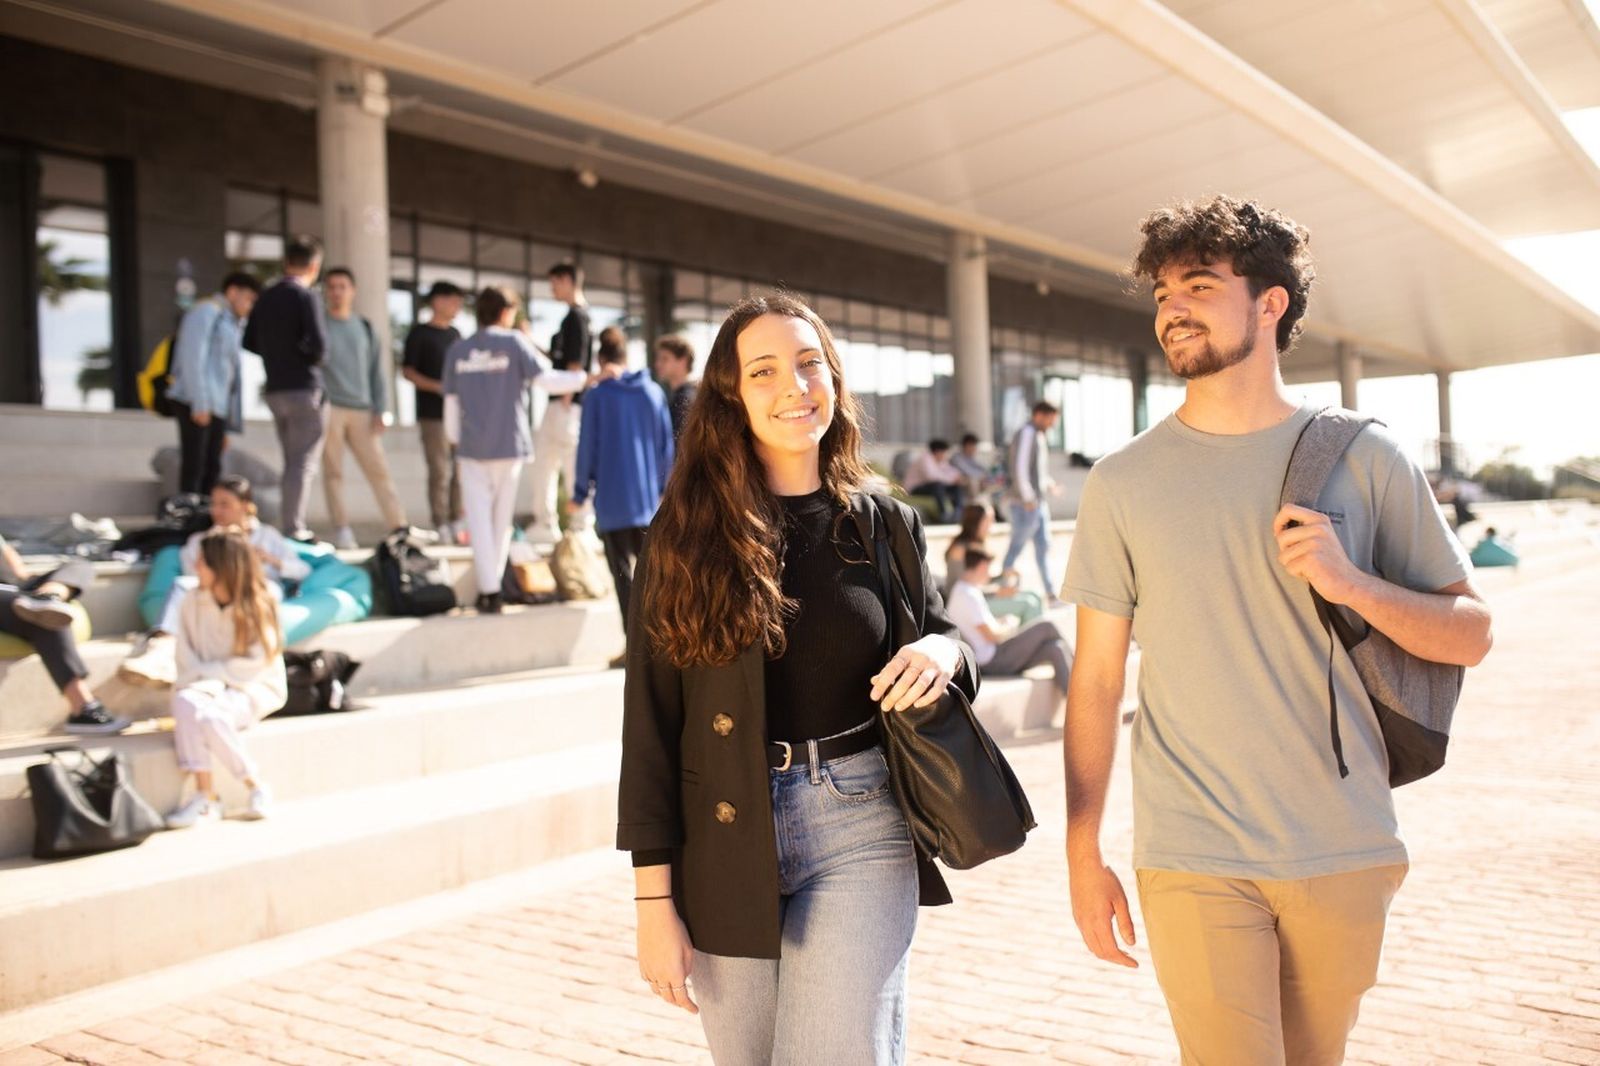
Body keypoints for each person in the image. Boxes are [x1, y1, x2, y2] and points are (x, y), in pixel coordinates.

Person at [1062, 195, 1493, 1066]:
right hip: (1193, 849)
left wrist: (1350, 582)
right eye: (1161, 293)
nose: (1171, 307)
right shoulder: (1122, 482)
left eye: (1197, 285)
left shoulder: (1366, 457)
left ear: (1271, 304)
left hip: (1341, 842)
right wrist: (1083, 852)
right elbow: (1098, 681)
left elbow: (1471, 633)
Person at [620, 293, 976, 1064]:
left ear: (835, 380)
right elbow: (648, 730)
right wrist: (654, 905)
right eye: (765, 370)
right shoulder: (680, 541)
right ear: (732, 396)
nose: (795, 386)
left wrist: (945, 655)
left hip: (861, 823)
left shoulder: (885, 522)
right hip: (722, 833)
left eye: (810, 363)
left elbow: (942, 636)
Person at [444, 285, 590, 614]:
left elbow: (450, 408)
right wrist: (583, 379)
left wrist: (458, 440)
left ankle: (489, 589)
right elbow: (548, 380)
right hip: (508, 446)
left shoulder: (459, 349)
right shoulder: (513, 343)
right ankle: (491, 588)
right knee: (500, 521)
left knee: (479, 522)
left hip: (471, 449)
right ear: (506, 312)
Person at [119, 476, 309, 687]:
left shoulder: (267, 536)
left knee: (268, 591)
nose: (217, 510)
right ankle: (160, 649)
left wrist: (270, 560)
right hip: (215, 595)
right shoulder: (202, 540)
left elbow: (301, 570)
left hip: (256, 593)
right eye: (214, 504)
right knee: (183, 585)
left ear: (246, 506)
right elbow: (194, 573)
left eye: (225, 504)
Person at [163, 528, 288, 828]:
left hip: (252, 687)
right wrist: (207, 679)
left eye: (203, 562)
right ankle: (205, 796)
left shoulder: (262, 600)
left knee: (210, 718)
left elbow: (257, 662)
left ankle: (255, 785)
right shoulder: (191, 600)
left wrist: (213, 676)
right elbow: (185, 655)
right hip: (202, 683)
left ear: (223, 567)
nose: (196, 568)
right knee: (185, 702)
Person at [568, 326, 673, 632]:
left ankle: (634, 647)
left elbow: (587, 445)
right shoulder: (653, 392)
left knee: (624, 575)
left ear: (601, 360)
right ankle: (662, 640)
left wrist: (579, 492)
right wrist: (664, 488)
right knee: (654, 575)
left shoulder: (597, 396)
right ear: (627, 356)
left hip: (612, 499)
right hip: (647, 500)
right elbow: (667, 446)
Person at [243, 235, 327, 541]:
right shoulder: (306, 297)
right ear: (314, 266)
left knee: (291, 461)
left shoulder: (265, 297)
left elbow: (248, 341)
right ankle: (293, 528)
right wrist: (299, 355)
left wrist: (276, 355)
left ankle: (290, 524)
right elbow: (319, 348)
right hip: (304, 388)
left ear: (286, 261)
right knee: (301, 463)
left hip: (275, 389)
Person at [0, 534, 127, 734]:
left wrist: (29, 579)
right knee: (46, 618)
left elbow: (15, 566)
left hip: (16, 590)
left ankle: (51, 594)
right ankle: (83, 706)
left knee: (80, 566)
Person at [319, 267, 407, 549]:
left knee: (379, 470)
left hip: (362, 410)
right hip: (329, 407)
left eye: (342, 286)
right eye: (331, 286)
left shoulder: (365, 328)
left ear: (352, 291)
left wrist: (382, 408)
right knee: (333, 472)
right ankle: (342, 529)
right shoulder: (318, 325)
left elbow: (377, 372)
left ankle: (399, 527)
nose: (336, 292)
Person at [166, 272, 261, 495]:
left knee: (212, 468)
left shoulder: (234, 323)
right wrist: (200, 403)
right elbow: (193, 357)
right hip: (195, 401)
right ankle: (188, 520)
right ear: (232, 292)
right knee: (195, 466)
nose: (250, 306)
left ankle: (207, 522)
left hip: (216, 406)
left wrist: (226, 422)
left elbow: (229, 376)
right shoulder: (207, 311)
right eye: (249, 299)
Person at [947, 547, 1071, 715]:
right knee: (1046, 626)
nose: (990, 574)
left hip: (995, 656)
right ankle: (1084, 673)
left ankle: (1076, 704)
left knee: (1055, 648)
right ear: (982, 566)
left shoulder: (965, 590)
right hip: (993, 660)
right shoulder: (967, 595)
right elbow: (992, 636)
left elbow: (983, 629)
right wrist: (1010, 626)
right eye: (989, 568)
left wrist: (1001, 623)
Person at [526, 260, 594, 543]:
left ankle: (578, 526)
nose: (552, 288)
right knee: (549, 467)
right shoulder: (572, 318)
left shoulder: (576, 317)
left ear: (567, 280)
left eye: (555, 282)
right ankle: (552, 526)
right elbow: (560, 362)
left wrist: (566, 397)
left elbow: (575, 365)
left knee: (566, 467)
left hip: (567, 404)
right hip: (563, 402)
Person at [401, 280, 465, 542]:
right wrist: (436, 386)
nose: (456, 307)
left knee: (460, 470)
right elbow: (408, 371)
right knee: (440, 470)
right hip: (432, 414)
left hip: (458, 414)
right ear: (438, 301)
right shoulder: (419, 333)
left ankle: (457, 519)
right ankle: (440, 522)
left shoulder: (456, 335)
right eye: (452, 300)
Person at [1002, 401, 1062, 606]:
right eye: (1050, 420)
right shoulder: (1027, 433)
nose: (1052, 425)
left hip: (1037, 503)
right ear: (1039, 415)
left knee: (1043, 547)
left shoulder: (1037, 435)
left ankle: (1051, 595)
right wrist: (1028, 498)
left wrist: (1049, 485)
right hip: (1027, 504)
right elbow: (1020, 468)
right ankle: (1004, 586)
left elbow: (1037, 472)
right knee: (1016, 547)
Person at [942, 500, 1041, 624]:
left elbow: (979, 580)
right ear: (977, 522)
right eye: (989, 520)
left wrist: (1003, 576)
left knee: (1035, 596)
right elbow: (962, 588)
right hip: (964, 603)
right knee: (1028, 604)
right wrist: (996, 592)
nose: (992, 524)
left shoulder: (976, 544)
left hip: (978, 597)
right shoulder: (960, 549)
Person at [901, 439, 965, 523]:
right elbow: (931, 477)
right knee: (938, 485)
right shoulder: (925, 459)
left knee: (955, 487)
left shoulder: (940, 461)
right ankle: (944, 514)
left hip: (930, 487)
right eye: (945, 453)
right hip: (914, 488)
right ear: (938, 452)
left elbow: (951, 471)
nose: (946, 456)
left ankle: (958, 512)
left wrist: (957, 478)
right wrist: (952, 480)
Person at [652, 333, 698, 441]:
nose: (657, 364)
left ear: (683, 361)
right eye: (658, 359)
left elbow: (679, 445)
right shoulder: (685, 395)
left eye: (664, 359)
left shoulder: (685, 399)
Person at [949, 433, 991, 499]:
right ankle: (974, 504)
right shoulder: (957, 458)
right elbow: (967, 471)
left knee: (989, 482)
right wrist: (981, 476)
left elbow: (984, 469)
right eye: (973, 446)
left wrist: (984, 476)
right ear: (966, 446)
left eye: (975, 446)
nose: (974, 449)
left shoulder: (971, 458)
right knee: (973, 481)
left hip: (970, 479)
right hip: (959, 480)